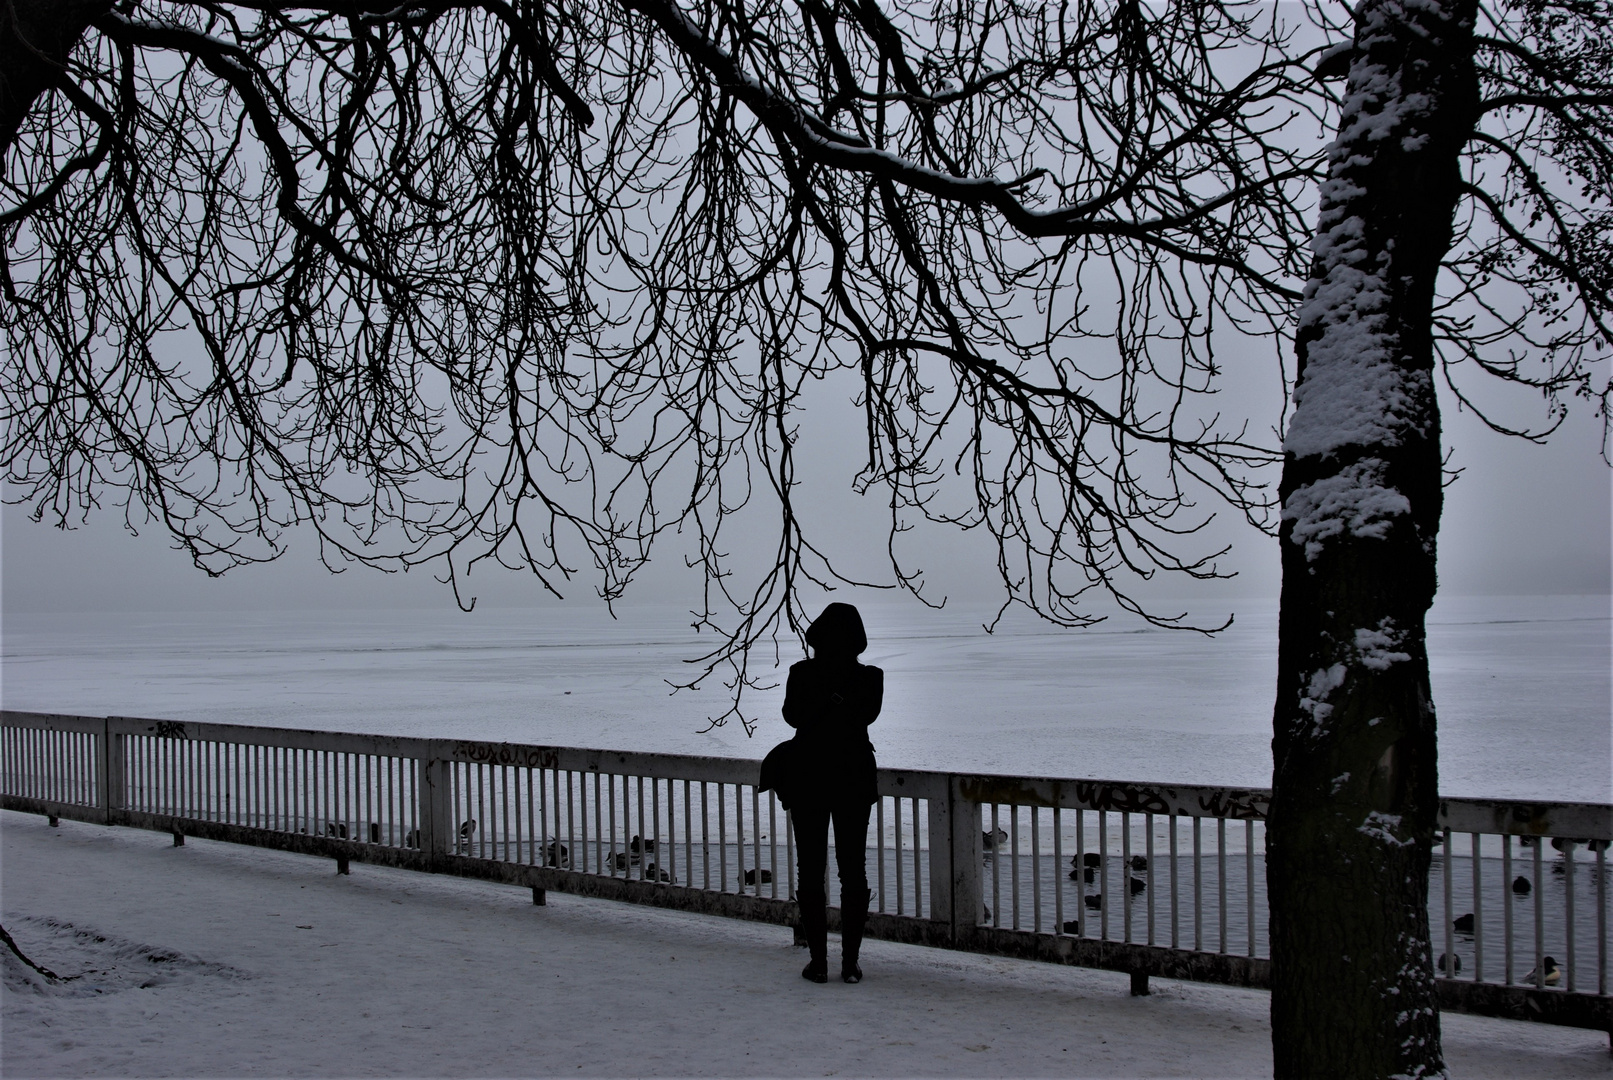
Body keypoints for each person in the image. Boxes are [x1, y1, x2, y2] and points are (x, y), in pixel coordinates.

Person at [783, 602, 883, 984]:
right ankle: (851, 964)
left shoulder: (802, 674)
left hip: (808, 777)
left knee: (810, 870)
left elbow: (792, 716)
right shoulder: (871, 678)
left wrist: (820, 700)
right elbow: (865, 716)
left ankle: (819, 963)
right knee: (852, 870)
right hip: (853, 779)